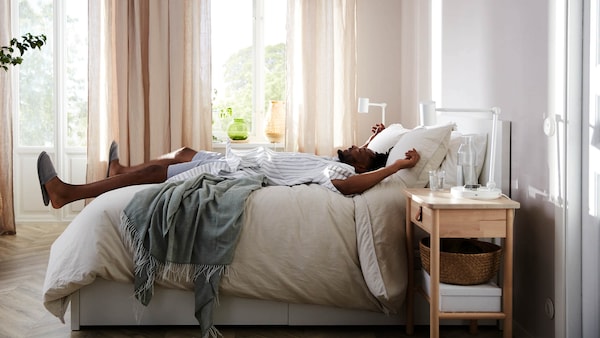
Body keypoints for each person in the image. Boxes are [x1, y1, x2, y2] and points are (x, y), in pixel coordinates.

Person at [37, 123, 420, 209]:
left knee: (159, 174)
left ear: (368, 163)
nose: (355, 146)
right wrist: (378, 140)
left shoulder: (347, 174)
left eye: (363, 148)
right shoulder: (343, 160)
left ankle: (67, 194)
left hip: (242, 171)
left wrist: (396, 164)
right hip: (242, 158)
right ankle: (120, 173)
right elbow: (368, 155)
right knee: (183, 151)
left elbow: (356, 183)